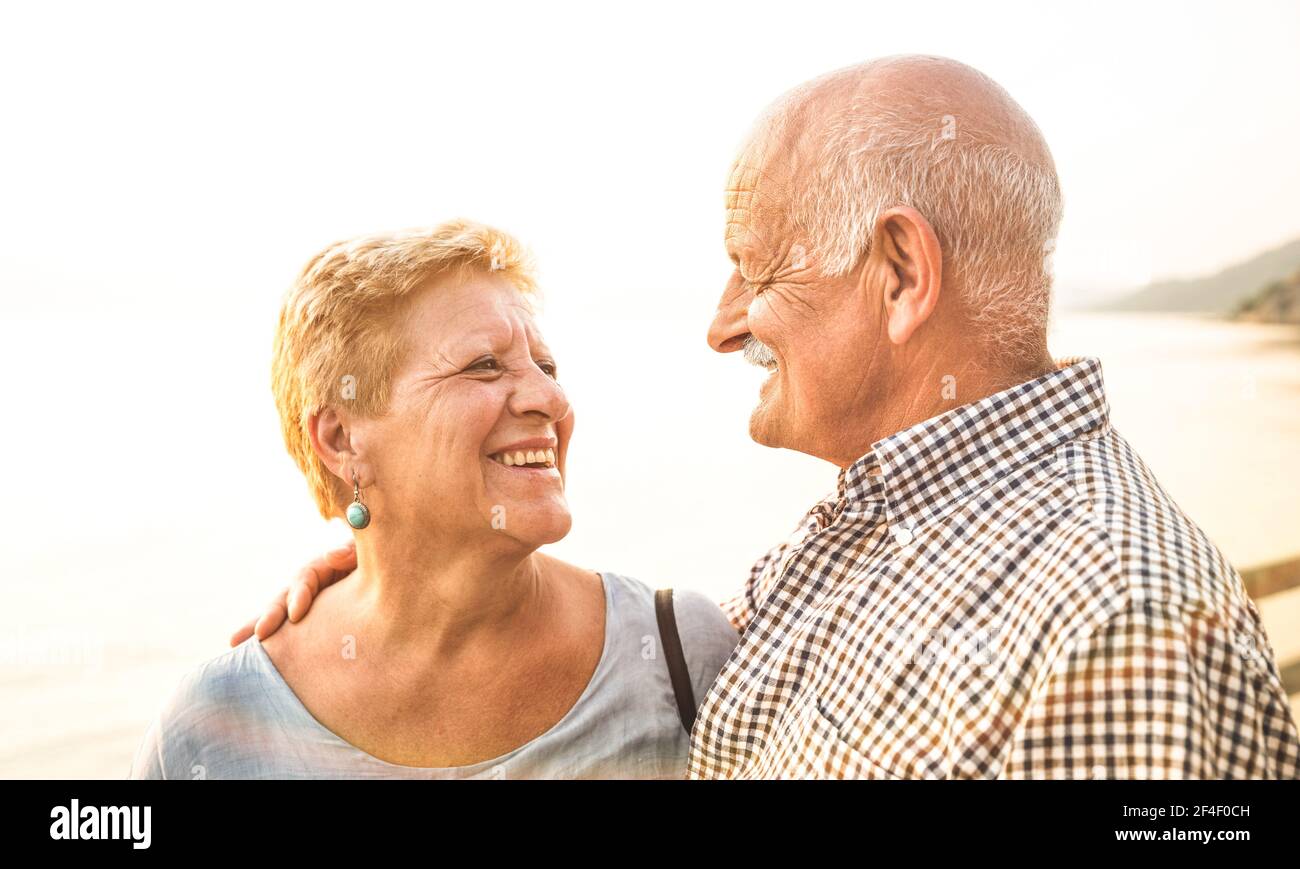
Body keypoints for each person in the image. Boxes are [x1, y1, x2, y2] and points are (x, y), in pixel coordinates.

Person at [243, 56, 1300, 779]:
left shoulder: (1116, 628)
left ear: (898, 273)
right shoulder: (880, 529)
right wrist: (405, 582)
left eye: (752, 267)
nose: (719, 325)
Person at [131, 220, 737, 779]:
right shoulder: (209, 731)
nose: (549, 399)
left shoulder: (680, 654)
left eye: (546, 366)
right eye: (484, 365)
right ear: (342, 439)